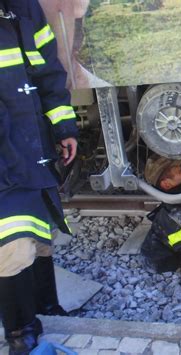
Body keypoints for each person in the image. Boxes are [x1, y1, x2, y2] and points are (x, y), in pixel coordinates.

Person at [0, 0, 78, 353]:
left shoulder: (22, 7)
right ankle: (20, 332)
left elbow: (47, 70)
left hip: (34, 149)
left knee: (41, 232)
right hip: (5, 160)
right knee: (12, 243)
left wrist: (63, 125)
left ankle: (48, 306)